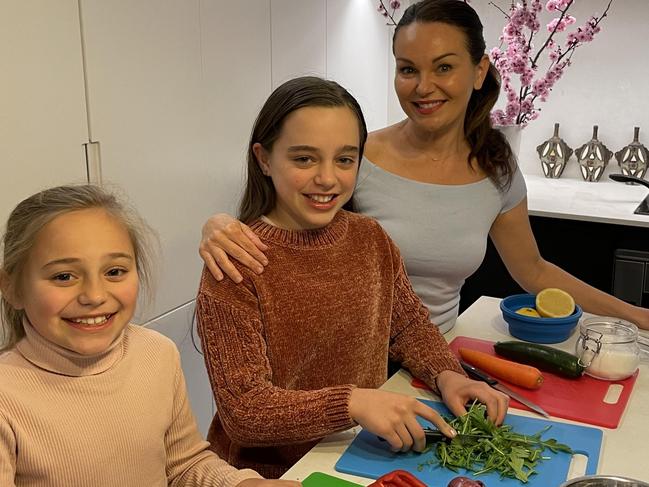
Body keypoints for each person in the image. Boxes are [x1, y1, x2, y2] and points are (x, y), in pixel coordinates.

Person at [198, 0, 649, 332]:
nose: (423, 86)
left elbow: (532, 269)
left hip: (438, 362)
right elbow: (286, 242)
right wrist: (220, 224)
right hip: (356, 368)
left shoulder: (496, 167)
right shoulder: (357, 159)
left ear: (478, 71)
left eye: (444, 67)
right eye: (408, 68)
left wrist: (634, 316)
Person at [195, 76, 509, 479]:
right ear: (264, 159)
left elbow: (409, 325)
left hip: (363, 453)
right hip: (272, 475)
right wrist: (353, 404)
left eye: (344, 159)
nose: (327, 178)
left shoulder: (370, 238)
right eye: (304, 159)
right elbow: (244, 411)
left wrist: (446, 374)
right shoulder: (235, 264)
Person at [0, 185, 299, 487]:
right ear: (12, 288)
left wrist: (242, 485)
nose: (94, 295)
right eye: (63, 276)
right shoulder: (7, 397)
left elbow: (184, 464)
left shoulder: (157, 353)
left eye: (114, 272)